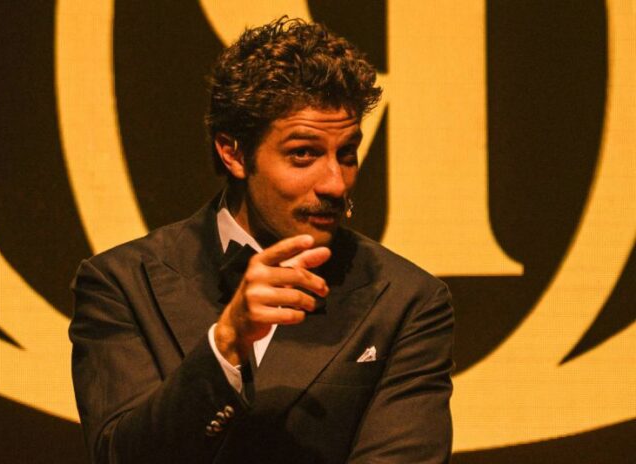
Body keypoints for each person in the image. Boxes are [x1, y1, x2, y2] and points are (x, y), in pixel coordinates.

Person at [70, 17, 454, 464]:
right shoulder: (121, 284)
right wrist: (226, 344)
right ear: (233, 153)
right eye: (303, 154)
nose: (335, 183)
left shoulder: (407, 301)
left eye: (347, 154)